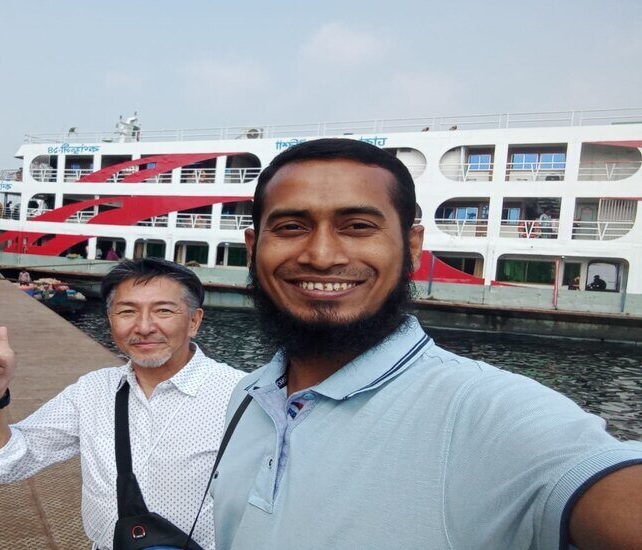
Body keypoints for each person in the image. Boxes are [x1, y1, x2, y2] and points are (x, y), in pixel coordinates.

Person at [211, 139, 642, 549]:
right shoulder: (249, 394)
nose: (322, 255)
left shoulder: (485, 411)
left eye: (358, 226)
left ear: (412, 247)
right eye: (290, 227)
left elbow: (597, 480)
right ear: (253, 248)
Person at [0, 258, 245, 550]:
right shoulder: (93, 391)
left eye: (163, 310)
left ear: (194, 321)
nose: (144, 327)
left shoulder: (241, 393)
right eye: (127, 312)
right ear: (110, 319)